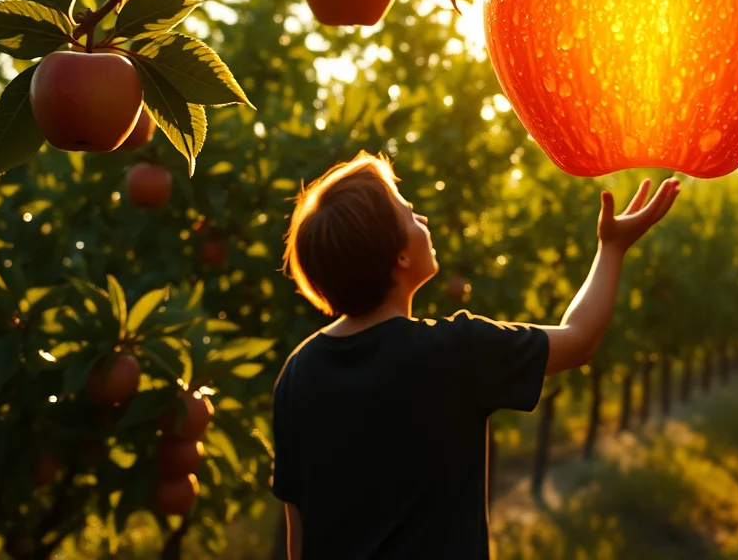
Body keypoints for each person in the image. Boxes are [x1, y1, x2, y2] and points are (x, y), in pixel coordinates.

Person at [270, 151, 680, 559]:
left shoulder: (298, 373)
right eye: (409, 213)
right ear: (400, 257)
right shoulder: (453, 351)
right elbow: (580, 340)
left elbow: (299, 529)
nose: (423, 220)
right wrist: (612, 247)